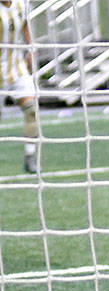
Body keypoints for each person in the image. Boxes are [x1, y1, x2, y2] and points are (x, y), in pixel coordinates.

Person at [1, 0, 38, 173]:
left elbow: (24, 24)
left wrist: (30, 48)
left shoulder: (21, 4)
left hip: (17, 68)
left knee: (31, 109)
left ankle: (30, 158)